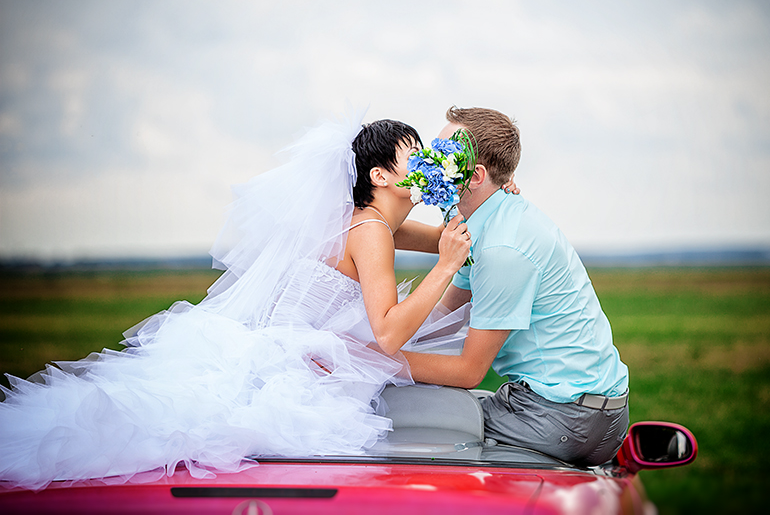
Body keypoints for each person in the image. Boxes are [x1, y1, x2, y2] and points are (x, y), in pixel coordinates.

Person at [0, 112, 472, 491]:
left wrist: (484, 197)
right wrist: (447, 267)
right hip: (295, 367)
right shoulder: (371, 231)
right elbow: (389, 333)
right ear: (380, 175)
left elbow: (449, 236)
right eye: (416, 156)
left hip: (279, 351)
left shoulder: (364, 221)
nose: (430, 162)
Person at [402, 106, 630, 467]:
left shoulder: (500, 249)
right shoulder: (492, 221)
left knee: (409, 421)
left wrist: (373, 360)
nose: (428, 160)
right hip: (577, 411)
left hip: (564, 417)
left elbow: (468, 371)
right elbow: (443, 318)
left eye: (440, 153)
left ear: (475, 176)